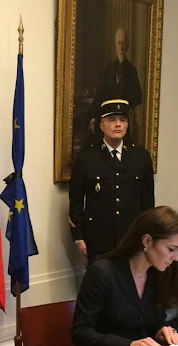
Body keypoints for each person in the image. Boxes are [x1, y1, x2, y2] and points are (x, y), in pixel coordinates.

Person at [72, 205, 178, 346]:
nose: (176, 258)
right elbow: (81, 332)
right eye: (171, 249)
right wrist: (130, 345)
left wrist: (160, 330)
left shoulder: (157, 273)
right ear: (147, 241)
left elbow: (150, 322)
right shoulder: (102, 273)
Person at [69, 98, 154, 266]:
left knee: (130, 287)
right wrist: (78, 237)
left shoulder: (141, 158)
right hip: (98, 238)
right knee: (100, 287)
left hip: (132, 236)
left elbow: (148, 202)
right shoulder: (86, 158)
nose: (118, 125)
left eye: (122, 120)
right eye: (112, 120)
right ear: (101, 126)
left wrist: (147, 234)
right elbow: (76, 202)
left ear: (127, 125)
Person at [86, 28, 142, 143]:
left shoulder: (131, 70)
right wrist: (93, 116)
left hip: (123, 117)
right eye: (119, 43)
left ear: (128, 46)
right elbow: (100, 93)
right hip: (107, 115)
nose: (121, 47)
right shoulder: (110, 68)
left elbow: (138, 97)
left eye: (123, 44)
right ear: (115, 45)